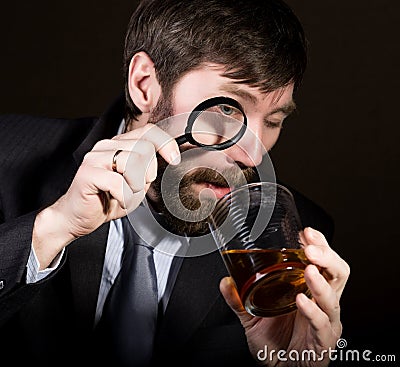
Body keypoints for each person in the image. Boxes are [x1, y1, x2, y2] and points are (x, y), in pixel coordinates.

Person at [0, 0, 350, 366]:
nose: (253, 156)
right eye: (228, 109)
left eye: (274, 121)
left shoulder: (294, 244)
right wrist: (53, 228)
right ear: (145, 85)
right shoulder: (8, 156)